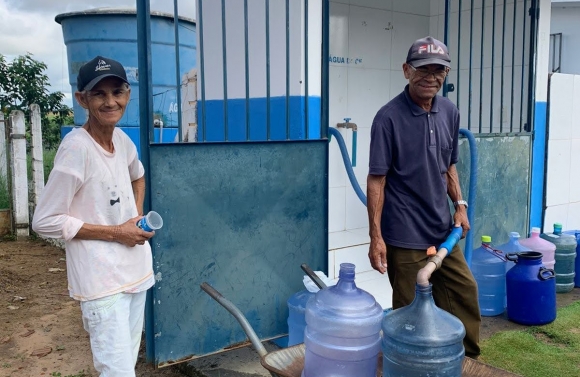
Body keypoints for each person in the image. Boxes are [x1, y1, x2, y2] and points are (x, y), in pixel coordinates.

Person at [32, 55, 155, 375]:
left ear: (128, 94)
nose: (111, 101)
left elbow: (138, 175)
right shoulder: (77, 149)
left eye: (118, 91)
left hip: (135, 272)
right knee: (117, 372)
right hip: (102, 282)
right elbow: (45, 220)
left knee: (125, 365)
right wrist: (117, 232)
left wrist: (136, 216)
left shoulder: (123, 141)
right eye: (99, 94)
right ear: (82, 99)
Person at [367, 36, 481, 358]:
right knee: (409, 313)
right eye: (423, 69)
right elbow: (377, 180)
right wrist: (376, 236)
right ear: (406, 70)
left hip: (442, 227)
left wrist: (459, 207)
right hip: (404, 233)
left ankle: (462, 361)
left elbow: (448, 167)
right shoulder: (388, 118)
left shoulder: (448, 111)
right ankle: (410, 365)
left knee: (464, 291)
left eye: (439, 70)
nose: (432, 77)